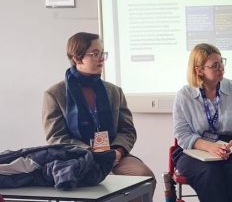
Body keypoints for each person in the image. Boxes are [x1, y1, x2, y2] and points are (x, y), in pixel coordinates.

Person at [42, 32, 154, 186]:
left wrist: (117, 151)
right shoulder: (55, 93)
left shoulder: (114, 91)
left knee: (144, 177)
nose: (101, 58)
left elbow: (127, 131)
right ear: (76, 58)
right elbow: (56, 137)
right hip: (77, 158)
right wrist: (91, 151)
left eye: (102, 53)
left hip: (114, 156)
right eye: (95, 54)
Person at [172, 43, 232, 202]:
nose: (221, 68)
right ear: (199, 70)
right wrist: (210, 147)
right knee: (210, 174)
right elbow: (182, 134)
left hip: (229, 148)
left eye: (221, 62)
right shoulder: (184, 95)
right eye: (214, 65)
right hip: (194, 149)